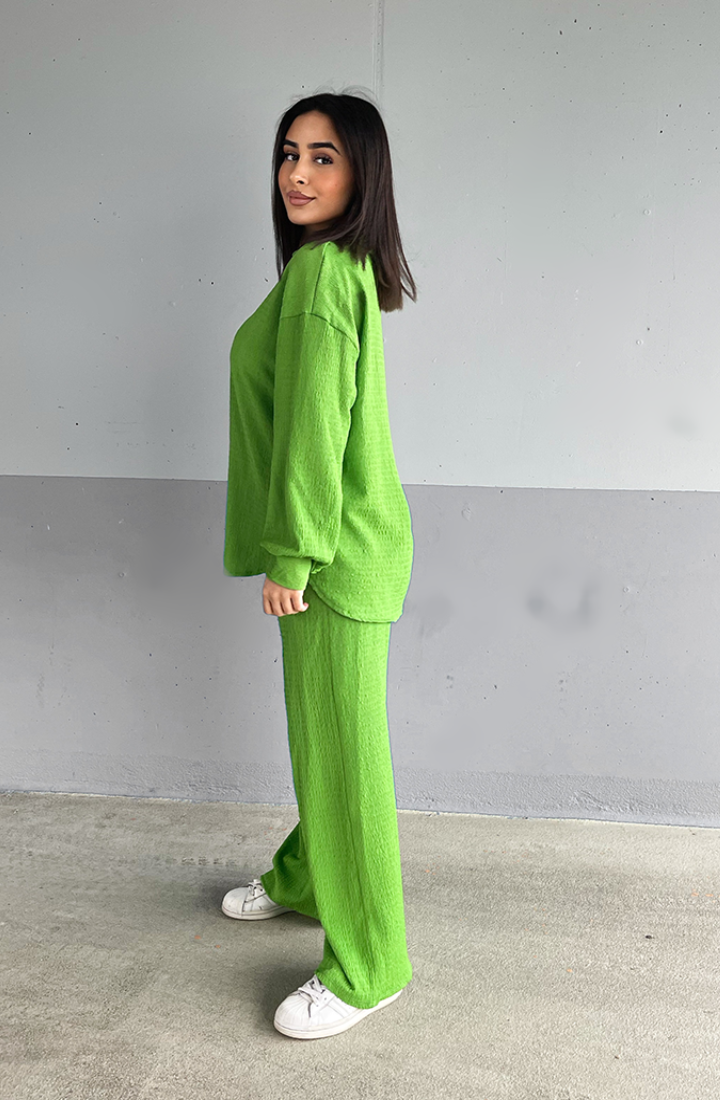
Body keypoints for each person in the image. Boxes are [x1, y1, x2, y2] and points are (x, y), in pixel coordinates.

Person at [221, 90, 418, 1040]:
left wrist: (292, 556)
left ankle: (371, 964)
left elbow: (313, 430)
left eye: (323, 157)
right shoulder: (336, 267)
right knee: (322, 740)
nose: (297, 174)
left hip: (332, 561)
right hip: (351, 549)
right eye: (289, 153)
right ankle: (305, 878)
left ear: (361, 172)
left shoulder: (319, 275)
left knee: (343, 761)